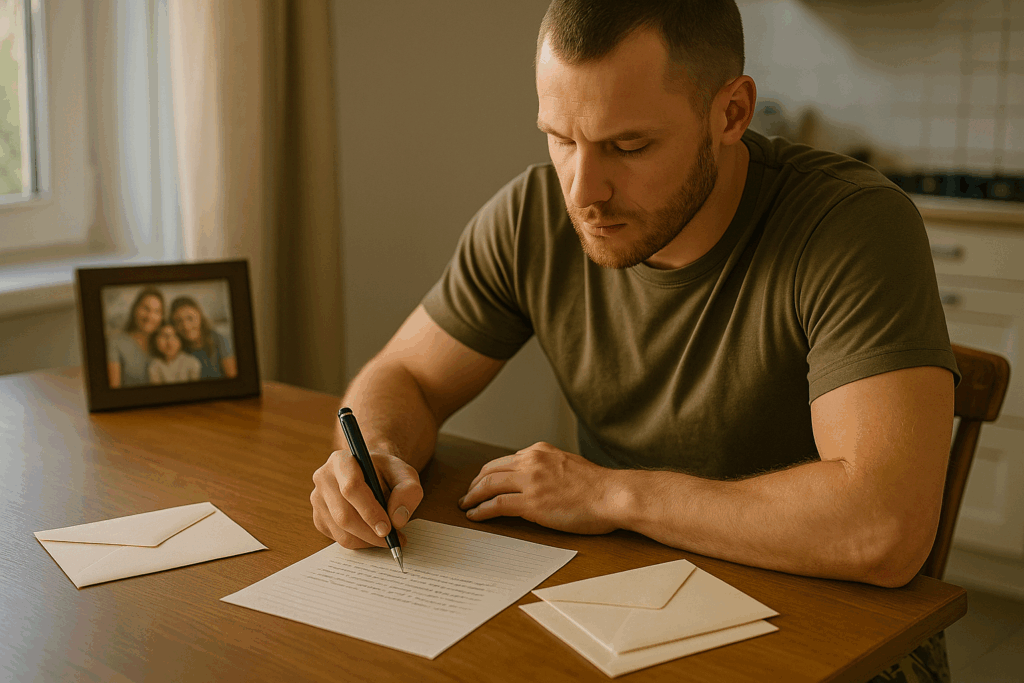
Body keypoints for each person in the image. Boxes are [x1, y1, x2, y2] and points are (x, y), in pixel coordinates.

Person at [310, 2, 958, 680]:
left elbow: (883, 527)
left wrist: (612, 495)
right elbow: (404, 374)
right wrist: (377, 454)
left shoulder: (852, 228)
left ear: (731, 113)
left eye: (628, 146)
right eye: (560, 137)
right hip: (623, 614)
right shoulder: (530, 218)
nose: (583, 191)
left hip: (840, 638)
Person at [107, 287, 165, 388]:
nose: (150, 316)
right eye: (146, 309)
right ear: (135, 309)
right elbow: (114, 391)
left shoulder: (163, 344)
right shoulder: (115, 342)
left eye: (157, 311)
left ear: (162, 316)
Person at [169, 296, 238, 380]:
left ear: (200, 316)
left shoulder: (219, 340)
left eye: (190, 318)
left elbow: (232, 377)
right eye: (179, 321)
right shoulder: (175, 347)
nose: (186, 326)